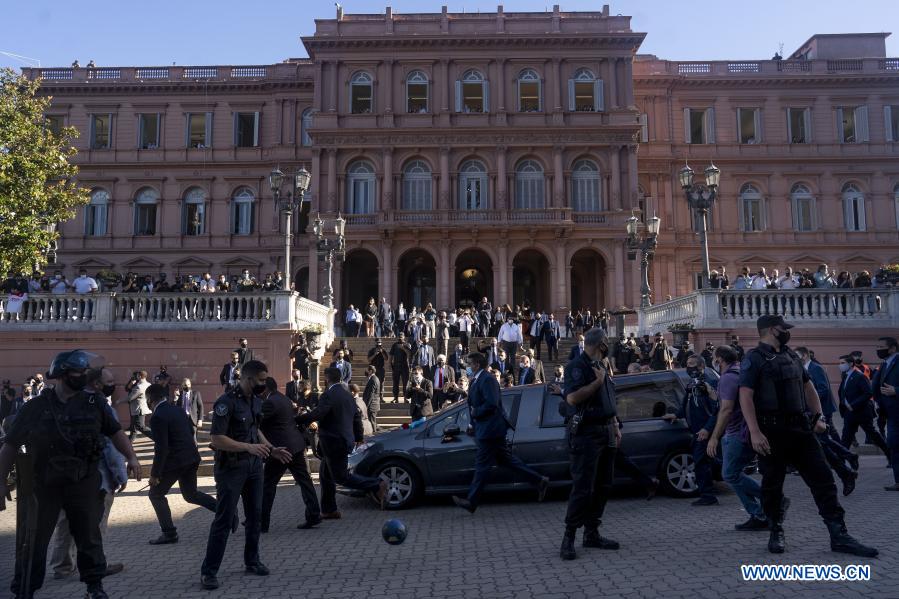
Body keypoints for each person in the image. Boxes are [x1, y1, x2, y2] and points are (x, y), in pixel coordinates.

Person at [0, 350, 142, 599]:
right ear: (63, 375)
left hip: (83, 481)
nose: (84, 375)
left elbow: (115, 432)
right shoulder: (36, 407)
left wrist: (131, 457)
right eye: (79, 372)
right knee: (33, 541)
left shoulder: (94, 402)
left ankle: (94, 587)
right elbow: (10, 445)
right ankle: (25, 589)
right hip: (45, 485)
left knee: (89, 537)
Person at [738, 315, 877, 557]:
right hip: (771, 432)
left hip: (801, 429)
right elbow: (745, 395)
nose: (787, 332)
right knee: (772, 485)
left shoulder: (791, 356)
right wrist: (755, 431)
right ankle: (775, 531)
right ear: (772, 329)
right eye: (783, 328)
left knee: (823, 480)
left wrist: (819, 416)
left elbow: (808, 387)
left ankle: (839, 535)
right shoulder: (754, 358)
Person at [200, 360, 292, 590]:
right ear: (248, 379)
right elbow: (216, 439)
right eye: (261, 380)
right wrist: (247, 447)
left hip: (253, 468)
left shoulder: (256, 401)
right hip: (231, 468)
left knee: (255, 516)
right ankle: (209, 572)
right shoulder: (226, 402)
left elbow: (255, 429)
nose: (264, 384)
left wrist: (271, 449)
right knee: (223, 519)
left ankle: (252, 561)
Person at [48, 367, 127, 581]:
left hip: (65, 475)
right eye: (109, 380)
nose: (114, 384)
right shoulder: (100, 406)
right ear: (96, 384)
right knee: (96, 523)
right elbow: (111, 444)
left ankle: (62, 567)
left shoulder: (63, 402)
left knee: (65, 522)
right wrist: (120, 473)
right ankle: (96, 564)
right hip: (96, 477)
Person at [452, 352, 548, 515]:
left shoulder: (487, 379)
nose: (467, 367)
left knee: (482, 465)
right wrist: (471, 423)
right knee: (506, 460)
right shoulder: (476, 379)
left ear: (476, 364)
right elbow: (473, 404)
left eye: (469, 364)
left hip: (491, 430)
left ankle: (471, 501)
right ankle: (539, 480)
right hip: (485, 428)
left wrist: (476, 414)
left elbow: (492, 403)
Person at [559, 327, 620, 560]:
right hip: (586, 434)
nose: (607, 347)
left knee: (604, 485)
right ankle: (569, 537)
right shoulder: (577, 366)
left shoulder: (602, 365)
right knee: (583, 487)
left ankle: (592, 532)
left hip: (606, 431)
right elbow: (572, 398)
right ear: (601, 343)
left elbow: (609, 398)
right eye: (606, 343)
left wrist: (615, 424)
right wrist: (596, 383)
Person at [297, 368, 387, 517]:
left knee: (341, 477)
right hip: (342, 441)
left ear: (326, 378)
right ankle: (329, 510)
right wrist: (358, 437)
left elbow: (319, 413)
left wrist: (298, 419)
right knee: (325, 476)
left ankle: (376, 484)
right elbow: (356, 417)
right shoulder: (347, 395)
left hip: (333, 442)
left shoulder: (328, 395)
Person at [146, 383, 217, 544]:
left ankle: (169, 533)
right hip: (191, 458)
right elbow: (190, 434)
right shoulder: (178, 410)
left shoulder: (157, 417)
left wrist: (155, 474)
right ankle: (226, 513)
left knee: (156, 494)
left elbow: (161, 448)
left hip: (175, 462)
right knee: (191, 495)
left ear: (149, 399)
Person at [706, 346, 767, 530]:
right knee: (733, 473)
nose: (713, 361)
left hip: (737, 433)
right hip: (746, 431)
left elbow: (726, 410)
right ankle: (759, 514)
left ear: (720, 360)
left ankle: (770, 501)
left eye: (714, 358)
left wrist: (714, 437)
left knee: (730, 474)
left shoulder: (727, 377)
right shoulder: (740, 371)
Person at [259, 377, 321, 532]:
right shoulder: (285, 399)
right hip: (297, 445)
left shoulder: (269, 403)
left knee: (268, 485)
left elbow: (259, 424)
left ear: (266, 388)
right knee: (305, 481)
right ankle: (314, 514)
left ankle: (262, 522)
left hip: (281, 450)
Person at [796, 347, 858, 496]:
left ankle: (845, 468)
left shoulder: (815, 368)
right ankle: (847, 462)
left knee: (822, 443)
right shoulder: (803, 368)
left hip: (819, 411)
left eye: (797, 356)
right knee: (823, 442)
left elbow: (822, 389)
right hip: (810, 413)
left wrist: (812, 407)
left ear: (805, 355)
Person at [664, 355, 719, 505]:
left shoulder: (709, 383)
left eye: (692, 364)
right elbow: (687, 405)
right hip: (696, 430)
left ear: (701, 366)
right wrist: (676, 414)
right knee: (704, 462)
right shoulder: (692, 383)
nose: (689, 367)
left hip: (704, 431)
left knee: (701, 462)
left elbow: (717, 410)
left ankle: (708, 496)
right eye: (687, 364)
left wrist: (707, 429)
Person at [838, 354, 890, 462]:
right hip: (849, 413)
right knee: (846, 438)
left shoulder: (859, 376)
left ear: (851, 364)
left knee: (873, 435)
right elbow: (842, 392)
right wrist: (844, 405)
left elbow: (868, 393)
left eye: (842, 363)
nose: (840, 365)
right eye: (840, 363)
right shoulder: (845, 375)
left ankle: (890, 455)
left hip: (862, 412)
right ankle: (840, 461)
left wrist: (853, 404)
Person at [872, 336, 899, 491]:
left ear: (893, 348)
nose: (878, 350)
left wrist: (895, 390)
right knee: (894, 445)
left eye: (881, 347)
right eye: (877, 347)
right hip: (890, 413)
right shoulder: (884, 364)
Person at [119, 370, 151, 439]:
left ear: (139, 376)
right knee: (135, 426)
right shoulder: (148, 384)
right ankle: (130, 440)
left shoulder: (139, 387)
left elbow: (130, 398)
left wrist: (119, 401)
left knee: (140, 426)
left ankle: (156, 436)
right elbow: (127, 389)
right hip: (141, 408)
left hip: (138, 409)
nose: (135, 377)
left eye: (136, 376)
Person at [389, 333, 412, 403]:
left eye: (401, 337)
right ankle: (396, 398)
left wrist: (403, 348)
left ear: (404, 337)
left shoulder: (407, 344)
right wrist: (390, 364)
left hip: (405, 366)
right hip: (396, 366)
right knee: (395, 383)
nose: (400, 338)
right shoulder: (394, 345)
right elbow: (391, 355)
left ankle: (405, 398)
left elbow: (409, 355)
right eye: (399, 337)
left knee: (405, 383)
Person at [367, 338, 389, 403]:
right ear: (375, 343)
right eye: (377, 342)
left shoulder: (383, 350)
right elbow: (369, 359)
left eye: (379, 342)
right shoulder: (372, 350)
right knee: (373, 383)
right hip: (373, 369)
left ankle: (381, 397)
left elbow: (386, 359)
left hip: (381, 369)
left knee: (381, 383)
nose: (378, 343)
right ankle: (372, 397)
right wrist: (375, 354)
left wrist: (382, 352)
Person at [362, 366, 381, 432]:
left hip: (372, 405)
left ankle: (374, 436)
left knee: (372, 422)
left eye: (367, 370)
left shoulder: (373, 379)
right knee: (373, 421)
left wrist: (366, 406)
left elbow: (371, 394)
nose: (366, 371)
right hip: (372, 404)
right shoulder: (373, 378)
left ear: (370, 371)